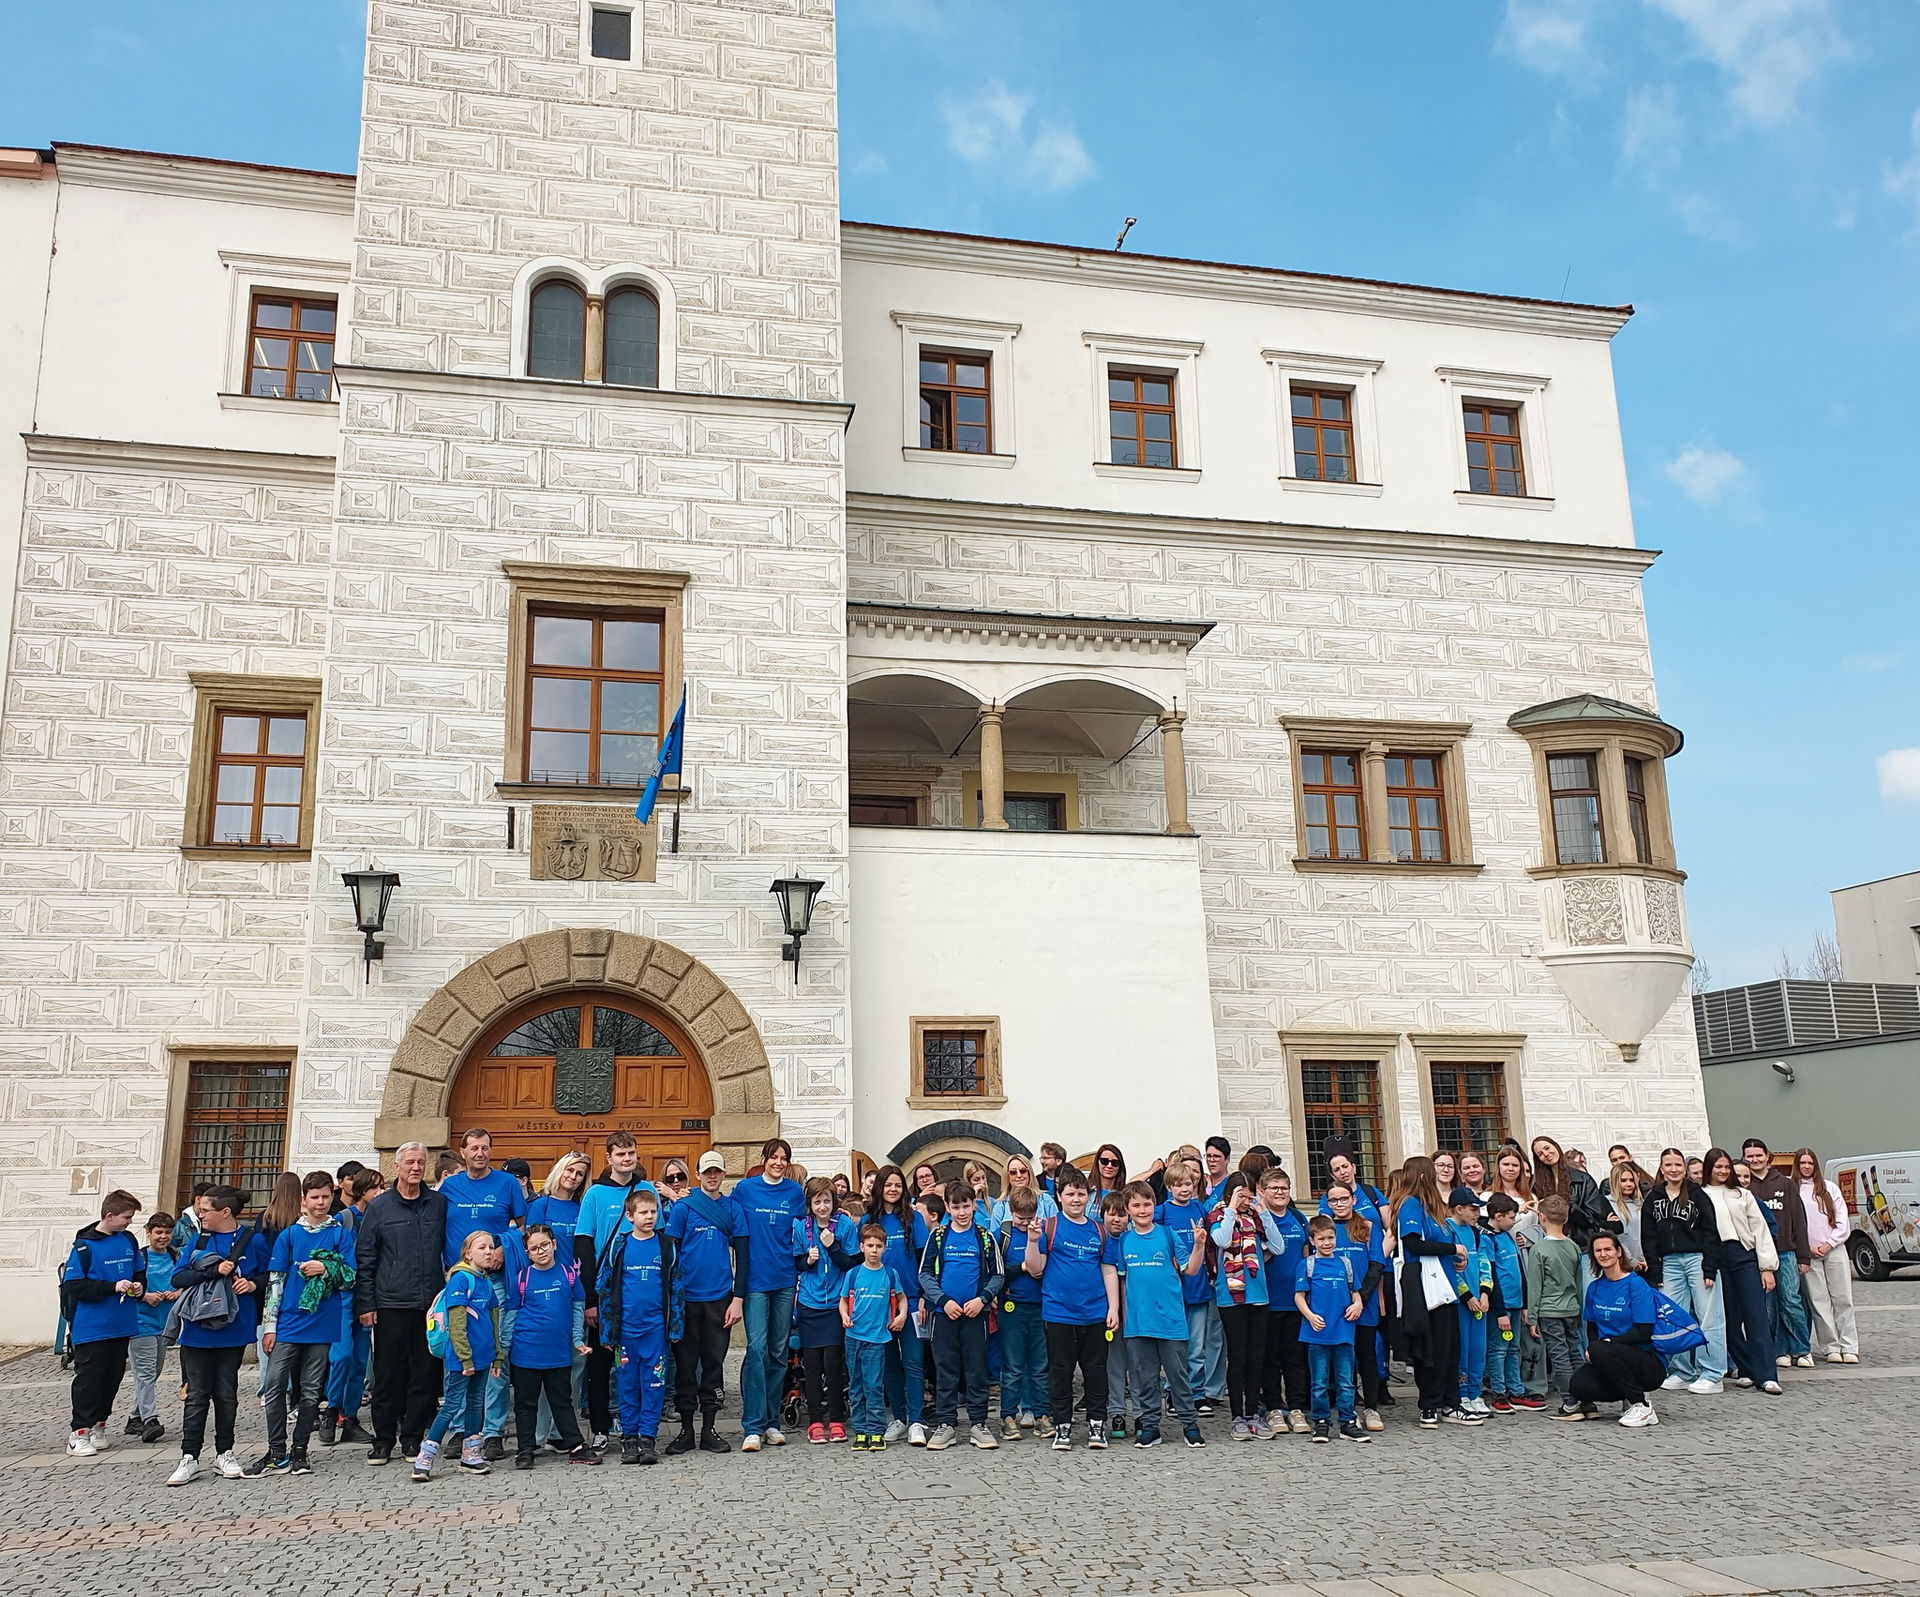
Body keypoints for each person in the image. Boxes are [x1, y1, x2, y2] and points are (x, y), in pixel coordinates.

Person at [249, 1170, 357, 1476]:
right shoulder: (289, 1236)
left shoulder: (340, 1234)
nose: (321, 1203)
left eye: (325, 1197)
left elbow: (351, 1276)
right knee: (274, 1385)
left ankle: (300, 1450)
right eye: (315, 1197)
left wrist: (325, 1268)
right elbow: (275, 1282)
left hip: (323, 1321)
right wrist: (270, 1326)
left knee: (311, 1389)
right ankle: (276, 1451)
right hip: (288, 1321)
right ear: (303, 1200)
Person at [354, 1140, 451, 1466]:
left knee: (424, 1375)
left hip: (428, 1304)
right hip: (391, 1303)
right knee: (387, 1375)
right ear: (396, 1166)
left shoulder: (438, 1203)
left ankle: (412, 1438)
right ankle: (383, 1440)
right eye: (409, 1162)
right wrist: (366, 1304)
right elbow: (366, 1257)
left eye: (421, 1162)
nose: (416, 1167)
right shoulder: (380, 1207)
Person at [166, 1185, 269, 1486]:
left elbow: (272, 1275)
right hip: (197, 1328)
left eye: (205, 1210)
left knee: (226, 1393)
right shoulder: (199, 1239)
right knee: (197, 1395)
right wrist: (213, 1271)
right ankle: (189, 1456)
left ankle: (225, 1452)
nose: (200, 1214)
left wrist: (253, 1285)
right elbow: (178, 1277)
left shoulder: (253, 1240)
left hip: (234, 1328)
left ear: (225, 1212)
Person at [662, 1150, 746, 1455]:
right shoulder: (684, 1207)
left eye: (717, 1172)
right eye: (707, 1172)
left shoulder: (733, 1208)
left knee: (713, 1366)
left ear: (723, 1174)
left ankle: (709, 1429)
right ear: (697, 1174)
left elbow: (744, 1256)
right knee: (685, 1368)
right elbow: (669, 1254)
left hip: (719, 1299)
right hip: (686, 1299)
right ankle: (686, 1431)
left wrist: (738, 1299)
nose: (712, 1176)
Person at [1027, 1167, 1116, 1450]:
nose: (1076, 1199)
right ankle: (1062, 1426)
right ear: (1059, 1196)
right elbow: (1035, 1268)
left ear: (1088, 1197)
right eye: (1070, 1194)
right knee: (1060, 1372)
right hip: (1059, 1314)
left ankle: (1097, 1424)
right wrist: (1032, 1241)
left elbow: (1108, 1271)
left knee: (1096, 1373)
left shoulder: (1099, 1230)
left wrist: (1113, 1308)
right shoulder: (1049, 1227)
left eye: (1081, 1194)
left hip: (1094, 1314)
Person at [575, 1131, 654, 1445]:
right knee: (600, 1364)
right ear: (609, 1158)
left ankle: (636, 1427)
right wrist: (590, 1299)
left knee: (637, 1364)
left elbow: (659, 1242)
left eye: (631, 1153)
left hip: (639, 1293)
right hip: (605, 1293)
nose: (627, 1159)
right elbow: (583, 1247)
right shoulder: (595, 1194)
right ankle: (599, 1429)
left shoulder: (647, 1190)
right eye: (620, 1154)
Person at [1115, 1180, 1206, 1448]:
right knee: (1145, 1379)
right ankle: (1151, 1427)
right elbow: (1123, 1281)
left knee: (1179, 1377)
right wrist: (1124, 1316)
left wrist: (1199, 1245)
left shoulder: (1168, 1235)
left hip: (1170, 1321)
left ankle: (1190, 1425)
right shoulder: (1125, 1240)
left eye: (1147, 1204)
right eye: (1136, 1205)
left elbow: (1190, 1270)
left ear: (1154, 1206)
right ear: (1127, 1209)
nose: (1142, 1210)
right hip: (1138, 1323)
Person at [919, 1178, 1005, 1451]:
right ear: (947, 1207)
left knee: (976, 1370)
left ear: (973, 1206)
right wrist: (943, 1301)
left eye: (966, 1206)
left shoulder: (985, 1237)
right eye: (956, 1207)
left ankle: (979, 1424)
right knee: (946, 1370)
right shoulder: (938, 1236)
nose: (962, 1212)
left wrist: (983, 1299)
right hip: (944, 1315)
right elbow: (925, 1274)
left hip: (975, 1315)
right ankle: (946, 1425)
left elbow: (998, 1275)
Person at [734, 1137, 806, 1453]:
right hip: (755, 1281)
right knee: (757, 1349)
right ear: (764, 1159)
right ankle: (752, 1425)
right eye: (773, 1157)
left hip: (785, 1279)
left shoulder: (794, 1193)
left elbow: (803, 1231)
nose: (778, 1163)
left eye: (783, 1158)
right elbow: (730, 1222)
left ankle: (771, 1422)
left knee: (778, 1352)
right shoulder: (745, 1189)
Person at [412, 1230, 503, 1481]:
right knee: (452, 1406)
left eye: (491, 1247)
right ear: (467, 1253)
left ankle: (471, 1456)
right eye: (482, 1248)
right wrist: (465, 1358)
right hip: (463, 1358)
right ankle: (425, 1457)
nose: (488, 1252)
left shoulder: (486, 1281)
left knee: (475, 1403)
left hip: (483, 1356)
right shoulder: (461, 1279)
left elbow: (494, 1322)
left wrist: (497, 1355)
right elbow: (457, 1323)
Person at [598, 1188, 678, 1466]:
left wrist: (675, 1327)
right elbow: (605, 1288)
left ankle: (648, 1438)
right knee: (628, 1385)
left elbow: (676, 1288)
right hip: (626, 1331)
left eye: (653, 1211)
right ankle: (629, 1438)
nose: (650, 1217)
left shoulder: (666, 1246)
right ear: (630, 1216)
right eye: (643, 1212)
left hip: (655, 1331)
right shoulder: (619, 1246)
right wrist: (607, 1331)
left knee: (654, 1384)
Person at [62, 1188, 145, 1456]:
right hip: (92, 1326)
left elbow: (139, 1273)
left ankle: (99, 1424)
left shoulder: (128, 1240)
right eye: (126, 1217)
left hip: (122, 1323)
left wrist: (138, 1287)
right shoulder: (83, 1247)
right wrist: (111, 1287)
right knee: (90, 1379)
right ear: (109, 1216)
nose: (129, 1222)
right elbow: (74, 1286)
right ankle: (79, 1432)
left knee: (112, 1377)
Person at [508, 1222, 597, 1469]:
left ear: (554, 1244)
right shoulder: (522, 1278)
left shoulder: (569, 1275)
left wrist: (577, 1340)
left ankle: (575, 1445)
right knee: (526, 1404)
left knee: (562, 1400)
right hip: (526, 1352)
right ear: (527, 1253)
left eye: (545, 1245)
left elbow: (577, 1310)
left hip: (558, 1352)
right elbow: (510, 1317)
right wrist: (503, 1349)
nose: (541, 1251)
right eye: (534, 1248)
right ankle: (525, 1449)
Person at [1397, 1156, 1473, 1428]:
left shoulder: (1433, 1208)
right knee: (1430, 1349)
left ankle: (1451, 1402)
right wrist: (1453, 1249)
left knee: (1450, 1348)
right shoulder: (1411, 1205)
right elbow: (1414, 1244)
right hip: (1426, 1287)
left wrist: (1455, 1257)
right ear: (1422, 1176)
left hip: (1445, 1286)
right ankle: (1429, 1404)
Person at [1644, 1147, 1726, 1395]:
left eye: (1678, 1164)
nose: (1673, 1169)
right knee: (1673, 1317)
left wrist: (1709, 1267)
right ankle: (1681, 1370)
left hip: (1697, 1259)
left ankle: (1712, 1373)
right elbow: (1648, 1237)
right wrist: (1655, 1270)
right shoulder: (1653, 1198)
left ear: (1684, 1168)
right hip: (1668, 1263)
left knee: (1709, 1316)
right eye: (1668, 1165)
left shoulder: (1697, 1195)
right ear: (1661, 1168)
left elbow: (1711, 1232)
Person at [1702, 1148, 1782, 1395]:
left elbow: (1760, 1230)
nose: (1723, 1171)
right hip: (1716, 1258)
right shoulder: (1700, 1194)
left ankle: (1767, 1375)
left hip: (1743, 1254)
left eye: (1727, 1167)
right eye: (1718, 1167)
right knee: (1729, 1319)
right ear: (1709, 1168)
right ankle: (1747, 1368)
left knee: (1756, 1316)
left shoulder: (1743, 1194)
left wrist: (1766, 1267)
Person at [1567, 1231, 1666, 1426]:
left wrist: (1607, 1343)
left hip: (1643, 1358)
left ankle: (1641, 1404)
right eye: (1598, 1251)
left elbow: (1644, 1331)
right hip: (1607, 1354)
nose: (1603, 1254)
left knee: (1599, 1348)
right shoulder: (1594, 1288)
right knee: (1578, 1385)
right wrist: (1596, 1348)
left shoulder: (1636, 1284)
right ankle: (1628, 1393)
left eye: (1608, 1249)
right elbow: (1592, 1327)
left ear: (1619, 1252)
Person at [863, 1164, 929, 1444]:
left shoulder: (913, 1219)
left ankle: (916, 1421)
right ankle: (899, 1418)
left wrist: (925, 1296)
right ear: (880, 1187)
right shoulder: (868, 1219)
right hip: (879, 1303)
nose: (893, 1189)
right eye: (888, 1184)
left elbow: (925, 1260)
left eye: (898, 1185)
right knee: (889, 1363)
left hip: (911, 1300)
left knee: (913, 1361)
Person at [792, 1174, 860, 1444]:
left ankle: (836, 1419)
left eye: (827, 1201)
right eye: (817, 1202)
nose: (823, 1207)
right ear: (810, 1203)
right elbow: (797, 1263)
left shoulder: (844, 1225)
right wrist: (807, 1261)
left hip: (835, 1305)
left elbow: (851, 1264)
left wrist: (833, 1247)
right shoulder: (802, 1227)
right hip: (810, 1304)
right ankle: (815, 1421)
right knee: (812, 1365)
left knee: (833, 1363)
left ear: (834, 1202)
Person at [1209, 1172, 1271, 1440]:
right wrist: (1231, 1210)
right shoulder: (1217, 1216)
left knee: (1256, 1357)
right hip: (1231, 1296)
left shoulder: (1256, 1219)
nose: (1246, 1201)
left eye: (1248, 1196)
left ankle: (1253, 1413)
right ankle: (1237, 1416)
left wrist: (1264, 1214)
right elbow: (1222, 1240)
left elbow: (1278, 1246)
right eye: (1240, 1195)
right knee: (1238, 1357)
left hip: (1258, 1295)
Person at [1296, 1214, 1368, 1443]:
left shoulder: (1344, 1263)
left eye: (1330, 1238)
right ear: (1312, 1241)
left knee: (1346, 1381)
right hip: (1317, 1333)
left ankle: (1347, 1422)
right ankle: (1321, 1421)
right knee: (1319, 1382)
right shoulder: (1307, 1265)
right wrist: (1310, 1315)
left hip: (1343, 1331)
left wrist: (1358, 1304)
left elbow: (1355, 1291)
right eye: (1321, 1239)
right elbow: (1299, 1296)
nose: (1327, 1243)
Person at [1743, 1138, 1813, 1370]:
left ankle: (1801, 1349)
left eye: (1758, 1155)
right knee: (1767, 1306)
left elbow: (1799, 1220)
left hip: (1786, 1253)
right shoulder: (1744, 1187)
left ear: (1767, 1156)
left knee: (1791, 1301)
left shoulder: (1785, 1183)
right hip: (1757, 1256)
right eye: (1750, 1156)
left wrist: (1803, 1256)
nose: (1754, 1160)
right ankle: (1777, 1350)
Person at [1156, 1160, 1220, 1416]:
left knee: (1197, 1346)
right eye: (1178, 1185)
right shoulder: (1162, 1212)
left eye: (1188, 1184)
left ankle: (1197, 1392)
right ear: (1169, 1187)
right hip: (1173, 1289)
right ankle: (1173, 1391)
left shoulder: (1199, 1208)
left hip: (1199, 1286)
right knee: (1176, 1345)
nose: (1184, 1189)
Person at [323, 1168, 381, 1447]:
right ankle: (331, 1408)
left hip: (369, 1294)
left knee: (360, 1359)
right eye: (375, 1188)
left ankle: (351, 1417)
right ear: (362, 1191)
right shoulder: (344, 1219)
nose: (380, 1193)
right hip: (344, 1295)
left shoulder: (380, 1216)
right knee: (341, 1355)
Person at [1325, 1183, 1389, 1429]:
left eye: (1344, 1199)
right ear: (1328, 1204)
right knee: (1343, 1359)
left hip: (1364, 1304)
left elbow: (1376, 1264)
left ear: (1353, 1199)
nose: (1339, 1204)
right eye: (1334, 1200)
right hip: (1336, 1305)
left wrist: (1361, 1298)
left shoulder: (1368, 1226)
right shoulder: (1326, 1229)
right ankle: (1347, 1409)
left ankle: (1371, 1409)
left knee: (1367, 1356)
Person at [841, 1223, 909, 1451]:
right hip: (853, 1337)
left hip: (878, 1339)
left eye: (878, 1246)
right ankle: (860, 1431)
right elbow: (843, 1301)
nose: (874, 1250)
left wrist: (902, 1315)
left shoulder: (890, 1274)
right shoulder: (853, 1274)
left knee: (874, 1386)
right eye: (870, 1245)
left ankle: (876, 1431)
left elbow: (902, 1298)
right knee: (856, 1386)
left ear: (884, 1248)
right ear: (861, 1247)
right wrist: (844, 1316)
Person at [1256, 1165, 1311, 1435]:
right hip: (1267, 1300)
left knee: (1295, 1357)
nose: (1280, 1192)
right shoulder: (1258, 1219)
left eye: (1284, 1188)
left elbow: (1306, 1254)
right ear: (1262, 1191)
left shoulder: (1298, 1218)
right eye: (1274, 1188)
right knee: (1270, 1358)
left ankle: (1297, 1407)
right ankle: (1274, 1407)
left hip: (1296, 1301)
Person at [1793, 1147, 1858, 1365]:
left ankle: (1849, 1345)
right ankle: (1831, 1346)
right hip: (1809, 1252)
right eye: (1802, 1163)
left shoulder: (1829, 1188)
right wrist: (1807, 1247)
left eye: (1810, 1163)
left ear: (1815, 1165)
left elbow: (1842, 1221)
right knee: (1819, 1302)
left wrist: (1829, 1243)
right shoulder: (1793, 1189)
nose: (1806, 1167)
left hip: (1834, 1249)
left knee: (1842, 1298)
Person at [995, 1185, 1048, 1439]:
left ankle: (1042, 1415)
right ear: (1010, 1211)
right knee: (1013, 1367)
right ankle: (1008, 1416)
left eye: (1029, 1218)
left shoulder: (1041, 1233)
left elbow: (1045, 1268)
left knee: (1040, 1366)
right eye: (1020, 1219)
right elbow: (997, 1272)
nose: (1025, 1224)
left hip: (1040, 1307)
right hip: (1012, 1307)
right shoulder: (1003, 1235)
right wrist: (1023, 1267)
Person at [1527, 1195, 1586, 1419]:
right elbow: (1578, 1282)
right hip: (1571, 1308)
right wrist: (1579, 1308)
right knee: (1575, 1353)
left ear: (1541, 1217)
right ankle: (1586, 1398)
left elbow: (1535, 1286)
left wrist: (1532, 1317)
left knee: (1559, 1356)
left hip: (1549, 1310)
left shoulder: (1539, 1249)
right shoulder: (1573, 1247)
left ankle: (1570, 1401)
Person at [128, 1210, 180, 1443]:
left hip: (165, 1324)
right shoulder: (138, 1258)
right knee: (146, 1372)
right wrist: (144, 1296)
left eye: (167, 1232)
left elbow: (185, 1283)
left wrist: (176, 1293)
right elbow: (127, 1288)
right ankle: (150, 1420)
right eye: (159, 1232)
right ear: (148, 1233)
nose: (163, 1237)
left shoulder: (176, 1256)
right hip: (141, 1323)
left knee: (152, 1372)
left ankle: (134, 1417)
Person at [1448, 1186, 1492, 1416]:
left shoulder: (1476, 1233)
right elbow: (1450, 1270)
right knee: (1462, 1349)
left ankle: (1475, 1392)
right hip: (1460, 1303)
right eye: (1473, 1209)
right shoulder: (1447, 1230)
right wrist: (1467, 1295)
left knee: (1478, 1349)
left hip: (1479, 1303)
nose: (1477, 1214)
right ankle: (1462, 1392)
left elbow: (1484, 1264)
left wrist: (1484, 1293)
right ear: (1459, 1209)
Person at [1482, 1194, 1529, 1412]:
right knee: (1498, 1350)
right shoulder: (1488, 1239)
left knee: (1513, 1349)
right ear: (1498, 1216)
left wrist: (1525, 1303)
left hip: (1516, 1303)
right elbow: (1491, 1275)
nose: (1514, 1221)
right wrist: (1500, 1311)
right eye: (1511, 1217)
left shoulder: (1508, 1236)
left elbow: (1519, 1270)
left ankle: (1516, 1391)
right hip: (1501, 1306)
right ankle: (1498, 1392)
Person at [1532, 1136, 1618, 1252]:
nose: (1546, 1154)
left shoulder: (1583, 1179)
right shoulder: (1537, 1184)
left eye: (1547, 1148)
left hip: (1582, 1246)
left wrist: (1568, 1207)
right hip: (1551, 1246)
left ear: (1556, 1146)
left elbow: (1593, 1218)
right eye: (1540, 1154)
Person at [1607, 1162, 1648, 1271]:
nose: (1629, 1184)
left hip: (1645, 1263)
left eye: (1631, 1180)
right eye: (1623, 1180)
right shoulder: (1607, 1204)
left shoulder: (1640, 1204)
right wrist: (1631, 1261)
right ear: (1615, 1181)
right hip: (1620, 1264)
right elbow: (1614, 1237)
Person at [1202, 1136, 1232, 1203]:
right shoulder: (1201, 1182)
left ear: (1227, 1159)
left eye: (1216, 1156)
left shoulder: (1231, 1183)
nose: (1211, 1160)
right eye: (1208, 1156)